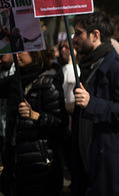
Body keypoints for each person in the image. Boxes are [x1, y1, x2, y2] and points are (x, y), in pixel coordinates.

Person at [70, 11, 119, 195]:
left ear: (95, 35)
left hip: (112, 167)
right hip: (89, 165)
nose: (74, 39)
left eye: (78, 33)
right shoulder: (87, 68)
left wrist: (92, 103)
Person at [0, 48, 69, 196]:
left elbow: (60, 124)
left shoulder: (48, 82)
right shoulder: (15, 80)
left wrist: (36, 116)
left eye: (20, 51)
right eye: (14, 51)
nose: (16, 56)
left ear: (35, 52)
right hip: (16, 164)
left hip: (41, 166)